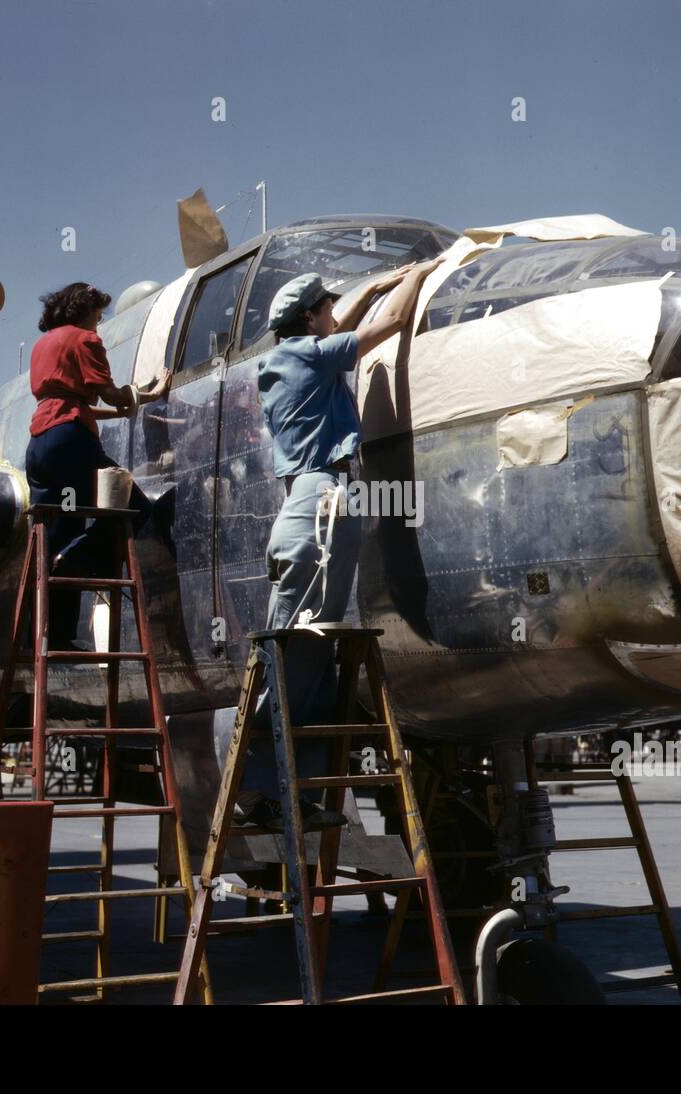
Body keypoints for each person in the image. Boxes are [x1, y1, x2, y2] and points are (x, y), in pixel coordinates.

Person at [235, 259, 442, 830]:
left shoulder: (289, 356)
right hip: (322, 505)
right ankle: (256, 789)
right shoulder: (308, 354)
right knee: (296, 648)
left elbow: (338, 322)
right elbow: (391, 322)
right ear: (310, 318)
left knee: (312, 655)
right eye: (327, 308)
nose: (335, 314)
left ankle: (291, 795)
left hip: (316, 502)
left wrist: (370, 285)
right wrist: (420, 275)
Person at [25, 283, 169, 649]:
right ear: (84, 310)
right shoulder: (85, 340)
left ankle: (49, 635)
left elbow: (70, 402)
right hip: (72, 440)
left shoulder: (44, 345)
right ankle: (78, 560)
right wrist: (145, 394)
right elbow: (108, 392)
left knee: (55, 532)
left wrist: (124, 407)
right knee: (135, 506)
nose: (98, 323)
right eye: (97, 315)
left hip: (41, 442)